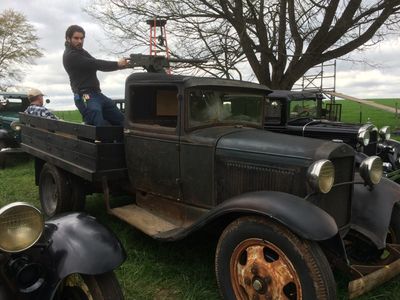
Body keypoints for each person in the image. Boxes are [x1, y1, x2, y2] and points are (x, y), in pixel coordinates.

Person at [63, 24, 129, 126]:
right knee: (98, 123)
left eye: (82, 38)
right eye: (76, 38)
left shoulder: (82, 52)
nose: (80, 41)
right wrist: (117, 65)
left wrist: (122, 65)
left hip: (97, 94)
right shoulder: (71, 56)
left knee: (120, 120)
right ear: (68, 38)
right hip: (84, 96)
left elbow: (95, 63)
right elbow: (96, 64)